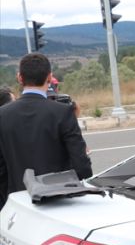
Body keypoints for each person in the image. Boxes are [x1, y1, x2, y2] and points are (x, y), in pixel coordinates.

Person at [0, 53, 92, 208]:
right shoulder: (63, 112)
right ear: (49, 78)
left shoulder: (2, 114)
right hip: (58, 201)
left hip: (18, 202)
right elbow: (83, 170)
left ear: (20, 78)